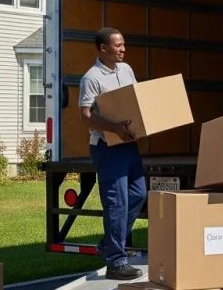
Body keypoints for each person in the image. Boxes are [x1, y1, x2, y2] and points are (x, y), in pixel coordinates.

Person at [79, 27, 146, 281]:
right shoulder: (91, 78)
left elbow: (136, 100)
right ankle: (116, 262)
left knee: (139, 194)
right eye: (118, 46)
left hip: (128, 144)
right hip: (106, 147)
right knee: (116, 202)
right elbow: (85, 116)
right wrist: (114, 128)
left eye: (123, 45)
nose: (123, 49)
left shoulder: (126, 69)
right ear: (103, 48)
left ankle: (109, 242)